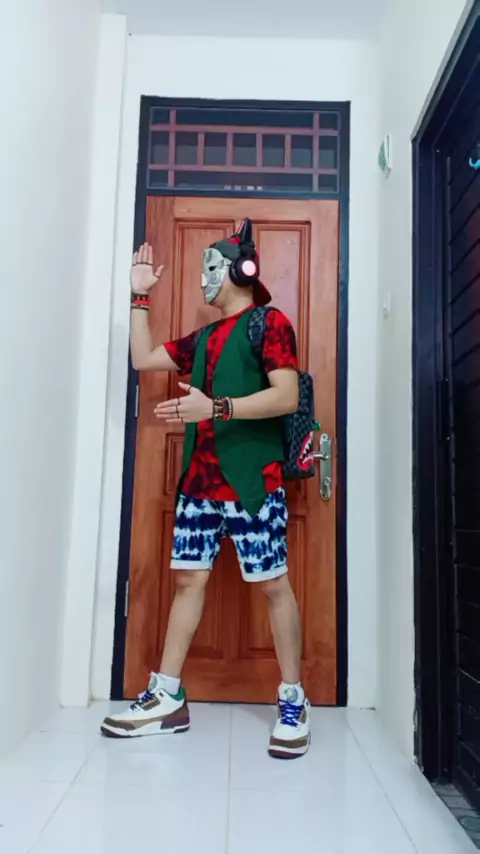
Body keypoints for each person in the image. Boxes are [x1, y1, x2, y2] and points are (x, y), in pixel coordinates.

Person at [101, 219, 310, 758]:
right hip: (199, 483)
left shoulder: (270, 323)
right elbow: (144, 359)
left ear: (242, 271)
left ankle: (293, 699)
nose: (203, 279)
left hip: (253, 481)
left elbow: (286, 396)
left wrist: (215, 407)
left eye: (211, 268)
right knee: (188, 582)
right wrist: (139, 296)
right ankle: (167, 697)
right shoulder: (203, 339)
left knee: (273, 584)